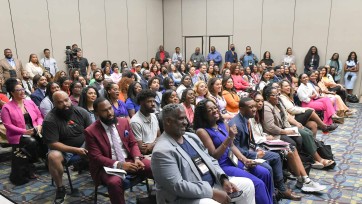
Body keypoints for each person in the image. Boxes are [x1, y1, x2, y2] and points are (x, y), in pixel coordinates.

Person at [151, 103, 256, 204]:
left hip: (211, 185)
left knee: (247, 185)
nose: (185, 122)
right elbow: (177, 186)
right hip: (184, 198)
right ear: (168, 121)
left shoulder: (191, 137)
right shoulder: (162, 151)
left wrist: (223, 179)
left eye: (185, 118)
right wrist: (211, 193)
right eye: (181, 119)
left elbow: (211, 160)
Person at [194, 100, 273, 204]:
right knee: (258, 183)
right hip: (222, 165)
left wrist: (245, 160)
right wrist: (229, 138)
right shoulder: (202, 131)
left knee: (265, 173)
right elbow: (214, 155)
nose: (214, 110)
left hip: (234, 160)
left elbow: (232, 146)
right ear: (203, 115)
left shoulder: (222, 123)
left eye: (215, 107)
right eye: (210, 110)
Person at [249, 91, 327, 192]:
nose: (260, 103)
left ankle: (305, 180)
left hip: (265, 139)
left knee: (292, 147)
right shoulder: (251, 116)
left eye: (261, 101)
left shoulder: (259, 113)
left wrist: (266, 135)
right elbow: (254, 137)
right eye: (257, 101)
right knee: (289, 149)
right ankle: (303, 180)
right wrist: (266, 137)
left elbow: (260, 131)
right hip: (259, 144)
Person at [230, 97, 301, 201]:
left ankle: (282, 189)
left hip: (252, 149)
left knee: (276, 156)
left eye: (254, 106)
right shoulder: (236, 124)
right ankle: (271, 195)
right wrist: (255, 155)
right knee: (267, 168)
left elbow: (250, 141)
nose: (254, 109)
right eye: (251, 107)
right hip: (244, 156)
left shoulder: (246, 119)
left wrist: (256, 149)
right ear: (241, 109)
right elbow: (235, 148)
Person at [85, 98, 153, 204]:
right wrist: (120, 165)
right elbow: (96, 157)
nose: (109, 113)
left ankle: (158, 197)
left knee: (153, 166)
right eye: (104, 111)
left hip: (129, 159)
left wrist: (137, 158)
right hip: (107, 166)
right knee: (114, 182)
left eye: (110, 109)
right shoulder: (91, 131)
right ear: (97, 113)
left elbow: (132, 143)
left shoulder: (123, 121)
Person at [263, 86, 335, 168]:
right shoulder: (267, 107)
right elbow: (271, 127)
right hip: (278, 131)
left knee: (309, 130)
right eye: (274, 95)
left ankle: (311, 157)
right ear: (267, 96)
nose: (277, 97)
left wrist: (295, 124)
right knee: (303, 135)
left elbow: (286, 116)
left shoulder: (279, 102)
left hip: (286, 126)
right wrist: (286, 131)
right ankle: (317, 159)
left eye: (277, 94)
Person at [42, 91, 92, 204]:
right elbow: (52, 144)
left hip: (84, 143)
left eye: (66, 100)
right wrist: (75, 150)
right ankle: (60, 188)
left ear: (70, 99)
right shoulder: (50, 119)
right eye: (60, 102)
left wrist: (89, 146)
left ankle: (103, 176)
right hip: (64, 149)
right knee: (53, 156)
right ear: (54, 104)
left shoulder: (81, 112)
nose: (65, 104)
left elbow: (91, 132)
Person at [130, 89, 160, 156]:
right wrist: (158, 142)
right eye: (149, 101)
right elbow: (143, 150)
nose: (153, 104)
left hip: (157, 150)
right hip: (146, 156)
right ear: (141, 103)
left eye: (153, 101)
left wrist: (152, 145)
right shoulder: (135, 122)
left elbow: (159, 136)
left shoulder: (153, 115)